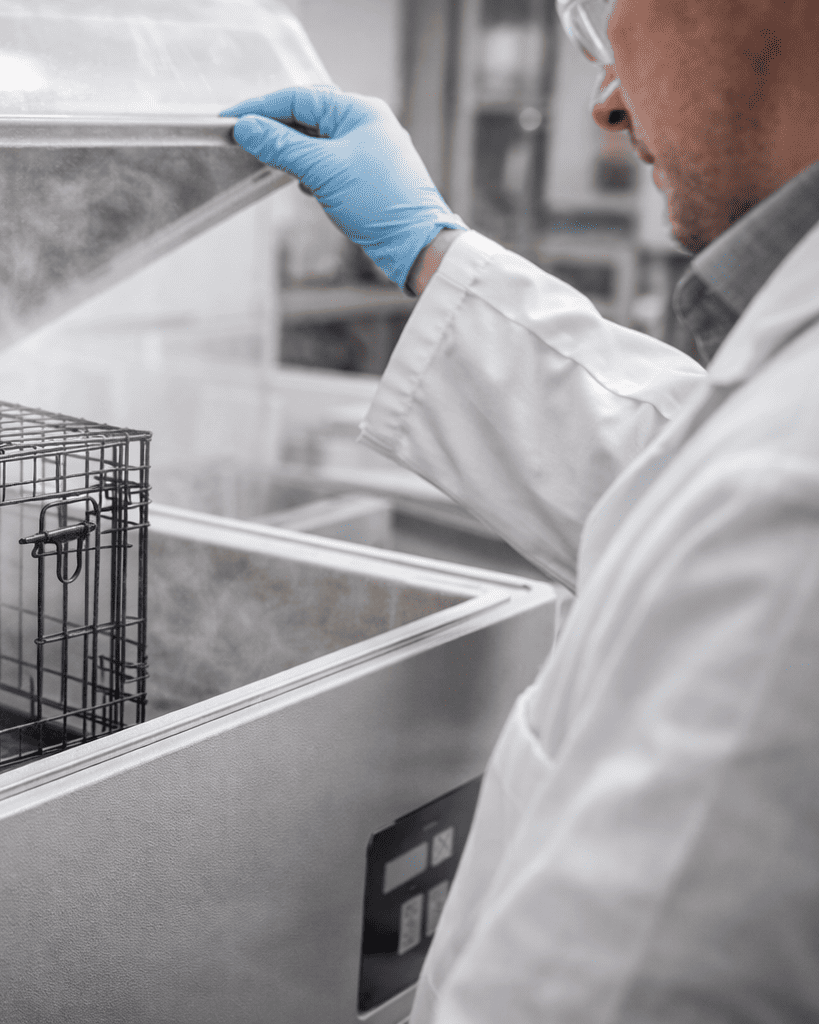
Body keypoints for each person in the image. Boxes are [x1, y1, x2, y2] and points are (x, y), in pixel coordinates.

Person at [223, 0, 819, 1020]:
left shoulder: (788, 521)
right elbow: (673, 465)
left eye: (609, 15)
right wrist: (433, 251)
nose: (606, 103)